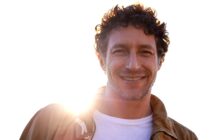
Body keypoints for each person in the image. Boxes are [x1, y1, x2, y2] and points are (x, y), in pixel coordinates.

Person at [20, 2, 198, 140]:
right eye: (120, 51)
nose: (133, 65)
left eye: (145, 52)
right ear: (101, 60)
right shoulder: (51, 122)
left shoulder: (184, 137)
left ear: (160, 61)